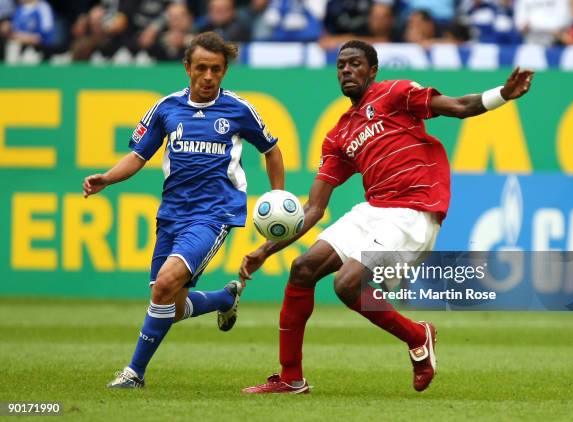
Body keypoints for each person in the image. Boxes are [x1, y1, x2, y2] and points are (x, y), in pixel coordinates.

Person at [239, 40, 533, 394]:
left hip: (411, 212)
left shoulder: (395, 94)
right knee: (302, 270)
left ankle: (416, 336)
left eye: (355, 64)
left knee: (346, 285)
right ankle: (291, 378)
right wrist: (265, 250)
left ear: (372, 70)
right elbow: (314, 208)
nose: (347, 70)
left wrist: (502, 93)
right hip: (374, 210)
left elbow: (457, 106)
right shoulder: (338, 135)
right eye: (341, 65)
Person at [82, 31, 285, 388]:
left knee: (164, 286)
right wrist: (108, 179)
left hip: (214, 214)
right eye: (202, 68)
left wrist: (278, 197)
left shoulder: (238, 109)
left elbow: (271, 148)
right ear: (187, 68)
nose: (209, 77)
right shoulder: (166, 108)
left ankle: (134, 373)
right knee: (171, 306)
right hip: (172, 214)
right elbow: (138, 154)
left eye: (217, 70)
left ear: (224, 71)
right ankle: (225, 297)